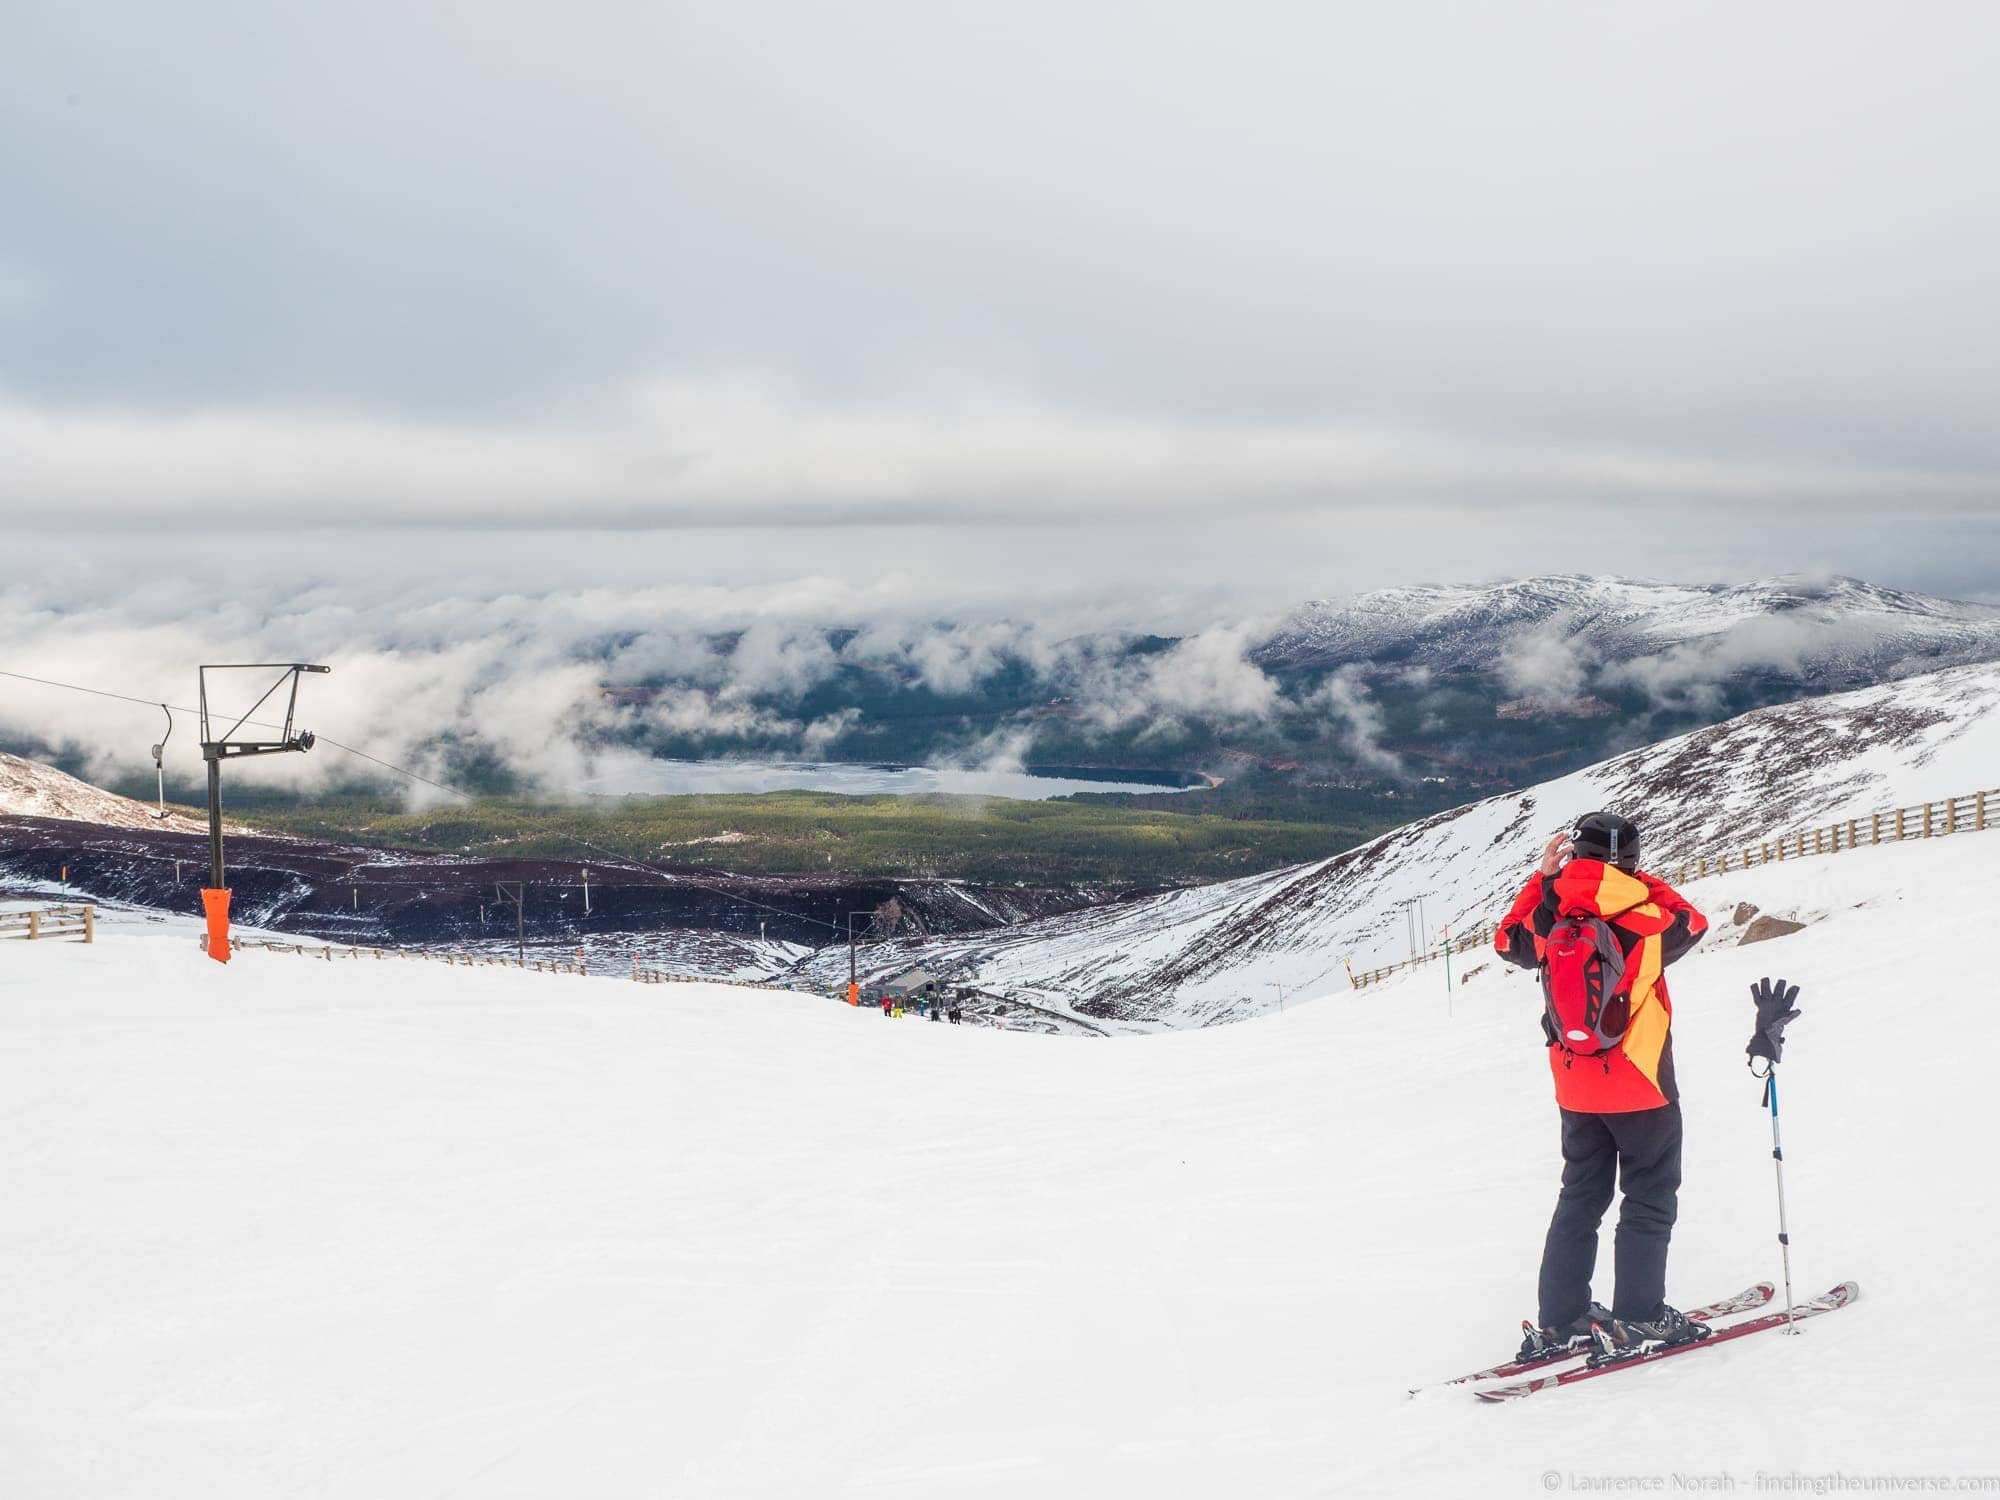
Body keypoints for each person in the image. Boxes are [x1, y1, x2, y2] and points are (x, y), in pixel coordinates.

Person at [1495, 811, 1709, 1356]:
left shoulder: (1549, 918)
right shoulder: (1647, 917)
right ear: (1633, 862)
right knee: (1648, 1197)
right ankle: (1641, 1318)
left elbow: (1505, 941)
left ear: (1575, 856)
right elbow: (1694, 920)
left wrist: (1546, 882)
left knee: (1580, 1197)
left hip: (1575, 1086)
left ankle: (1562, 1318)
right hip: (1640, 1082)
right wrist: (1633, 878)